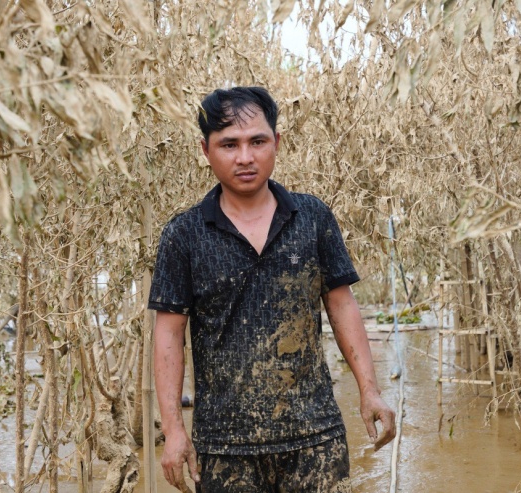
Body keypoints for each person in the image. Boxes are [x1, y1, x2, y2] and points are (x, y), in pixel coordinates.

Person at [149, 86, 395, 492]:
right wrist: (174, 430)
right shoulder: (184, 235)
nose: (245, 157)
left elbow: (342, 305)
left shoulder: (312, 217)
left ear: (276, 143)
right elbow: (169, 333)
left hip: (315, 439)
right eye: (229, 144)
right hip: (226, 449)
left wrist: (370, 392)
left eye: (257, 141)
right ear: (205, 150)